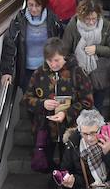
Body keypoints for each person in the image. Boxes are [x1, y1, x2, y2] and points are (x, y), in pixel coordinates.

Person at [23, 37, 94, 169]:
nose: (53, 64)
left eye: (57, 60)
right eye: (49, 61)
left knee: (69, 162)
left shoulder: (76, 72)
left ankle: (67, 182)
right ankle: (54, 176)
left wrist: (66, 114)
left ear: (64, 56)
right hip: (45, 127)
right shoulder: (39, 73)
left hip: (70, 128)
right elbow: (26, 99)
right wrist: (42, 104)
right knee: (46, 159)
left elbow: (88, 101)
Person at [0, 0, 65, 92]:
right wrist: (7, 71)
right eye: (30, 5)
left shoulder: (52, 20)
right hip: (27, 72)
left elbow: (61, 41)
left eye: (37, 5)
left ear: (43, 5)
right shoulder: (19, 21)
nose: (33, 9)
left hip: (48, 68)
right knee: (30, 102)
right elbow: (10, 45)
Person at [61, 0, 110, 116]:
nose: (92, 22)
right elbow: (64, 52)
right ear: (81, 16)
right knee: (82, 108)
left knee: (98, 107)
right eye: (88, 19)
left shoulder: (106, 25)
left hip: (100, 75)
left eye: (94, 19)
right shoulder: (73, 26)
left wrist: (97, 49)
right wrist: (77, 61)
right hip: (79, 76)